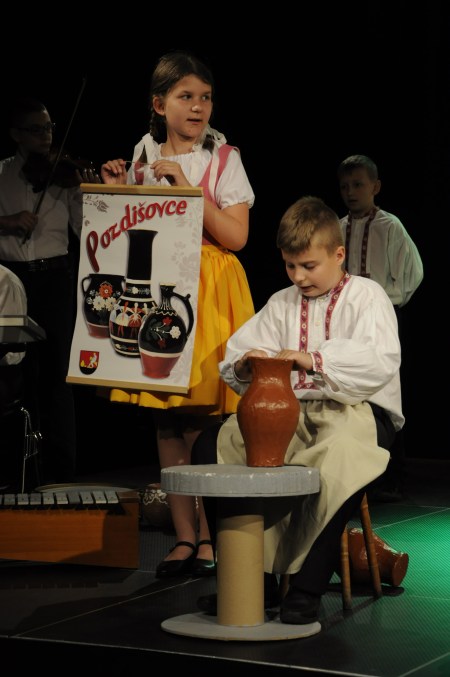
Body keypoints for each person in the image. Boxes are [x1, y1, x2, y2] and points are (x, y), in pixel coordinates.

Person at [191, 195, 402, 625]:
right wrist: (247, 365)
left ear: (338, 255)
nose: (299, 276)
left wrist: (313, 360)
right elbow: (242, 353)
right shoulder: (282, 302)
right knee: (212, 447)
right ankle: (251, 580)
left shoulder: (367, 297)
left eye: (308, 266)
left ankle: (306, 589)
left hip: (357, 413)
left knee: (338, 460)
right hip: (291, 413)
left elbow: (378, 362)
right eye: (290, 266)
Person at [101, 50, 255, 578]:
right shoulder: (143, 154)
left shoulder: (222, 157)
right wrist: (119, 193)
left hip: (209, 290)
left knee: (204, 419)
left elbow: (237, 236)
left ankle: (211, 536)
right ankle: (185, 537)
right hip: (160, 286)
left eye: (205, 97)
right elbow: (130, 231)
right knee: (167, 418)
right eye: (186, 97)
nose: (197, 107)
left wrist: (190, 193)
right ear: (159, 104)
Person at [0, 97, 88, 484]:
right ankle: (18, 470)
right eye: (36, 129)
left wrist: (85, 188)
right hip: (11, 280)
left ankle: (61, 473)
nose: (46, 136)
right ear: (16, 134)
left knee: (57, 376)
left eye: (49, 128)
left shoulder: (62, 175)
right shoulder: (1, 173)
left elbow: (85, 227)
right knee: (15, 374)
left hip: (55, 277)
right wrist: (7, 221)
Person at [337, 154, 423, 500]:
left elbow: (412, 271)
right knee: (349, 391)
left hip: (381, 318)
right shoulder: (337, 227)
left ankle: (393, 475)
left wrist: (386, 301)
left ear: (375, 187)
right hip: (345, 321)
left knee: (384, 392)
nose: (350, 192)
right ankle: (357, 474)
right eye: (345, 186)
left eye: (358, 184)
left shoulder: (389, 226)